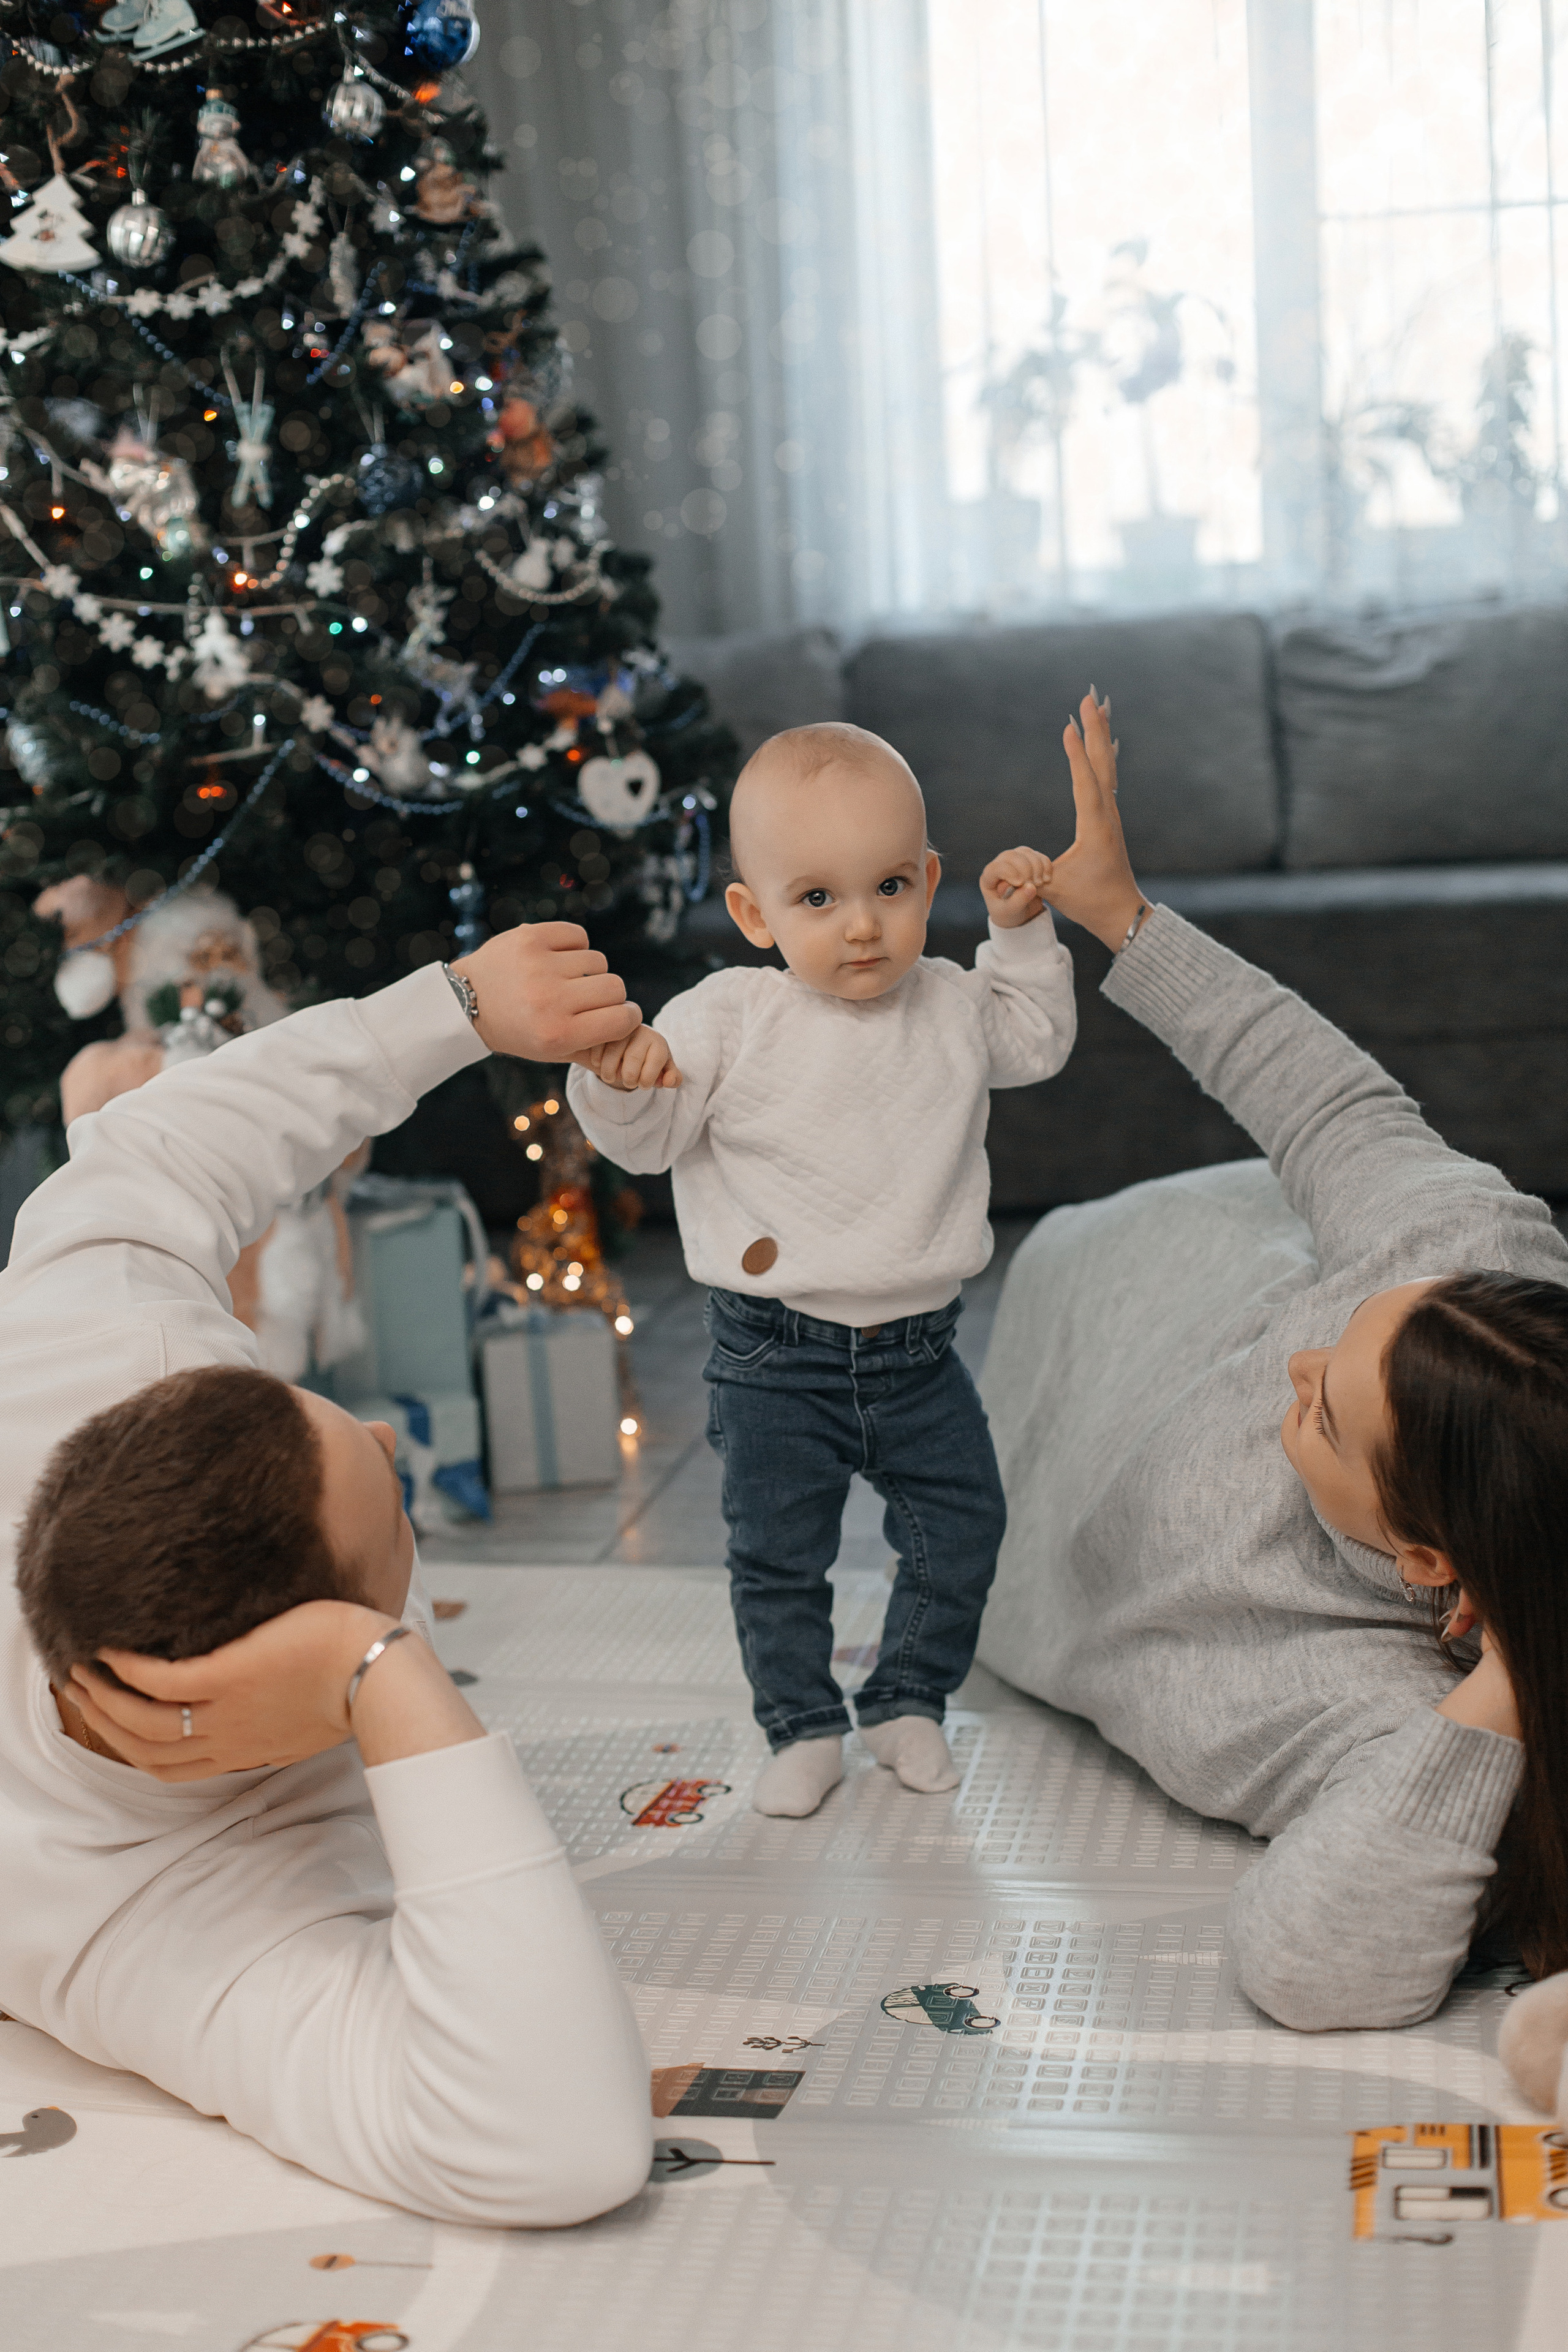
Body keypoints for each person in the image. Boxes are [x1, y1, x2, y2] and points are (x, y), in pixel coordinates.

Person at [0, 921, 655, 2224]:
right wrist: (382, 1673)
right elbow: (559, 2146)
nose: (383, 1440)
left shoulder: (105, 1332)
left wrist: (456, 1005)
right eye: (390, 1510)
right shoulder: (147, 1925)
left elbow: (171, 1141)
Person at [971, 693, 1565, 2034]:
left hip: (1036, 1514)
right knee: (1316, 1243)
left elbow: (1310, 1968)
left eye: (1327, 1411)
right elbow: (1323, 1096)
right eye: (1346, 1331)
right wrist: (1122, 915)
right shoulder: (1473, 1260)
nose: (1300, 1359)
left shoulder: (1378, 1706)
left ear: (1427, 1562)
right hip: (1130, 1258)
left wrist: (1516, 1681)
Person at [567, 722, 1077, 1820]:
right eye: (816, 899)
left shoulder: (952, 1001)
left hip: (920, 1351)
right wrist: (619, 1081)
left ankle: (905, 1699)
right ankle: (800, 1724)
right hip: (773, 1354)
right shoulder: (727, 1018)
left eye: (890, 888)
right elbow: (647, 1143)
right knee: (778, 1556)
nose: (860, 925)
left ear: (928, 881)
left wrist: (1017, 931)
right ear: (754, 915)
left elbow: (1038, 1040)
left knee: (963, 1528)